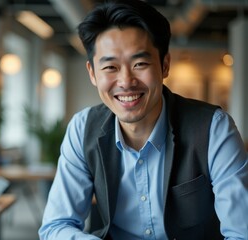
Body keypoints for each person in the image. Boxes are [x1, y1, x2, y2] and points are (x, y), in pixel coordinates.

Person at [39, 1, 248, 239]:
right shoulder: (82, 129)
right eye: (110, 67)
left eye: (140, 64)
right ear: (92, 73)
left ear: (165, 64)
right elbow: (56, 226)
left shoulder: (213, 128)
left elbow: (241, 233)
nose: (126, 81)